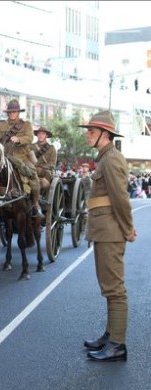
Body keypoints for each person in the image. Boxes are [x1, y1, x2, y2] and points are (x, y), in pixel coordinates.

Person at [80, 110, 136, 362]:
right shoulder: (104, 159)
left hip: (112, 231)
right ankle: (110, 334)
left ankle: (117, 344)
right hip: (104, 231)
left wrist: (127, 228)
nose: (87, 135)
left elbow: (120, 199)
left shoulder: (112, 160)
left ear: (105, 134)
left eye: (92, 131)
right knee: (108, 287)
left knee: (115, 289)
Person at [0, 99, 43, 218]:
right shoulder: (1, 124)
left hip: (22, 156)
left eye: (14, 112)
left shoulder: (26, 125)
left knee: (33, 175)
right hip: (4, 156)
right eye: (9, 112)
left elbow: (30, 138)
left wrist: (19, 139)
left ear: (18, 112)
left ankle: (36, 205)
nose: (11, 114)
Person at [31, 126, 57, 198]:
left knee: (45, 178)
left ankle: (41, 195)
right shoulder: (31, 146)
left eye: (43, 134)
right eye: (39, 133)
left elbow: (52, 163)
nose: (40, 135)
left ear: (46, 135)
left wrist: (40, 167)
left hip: (46, 170)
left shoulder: (51, 148)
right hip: (33, 169)